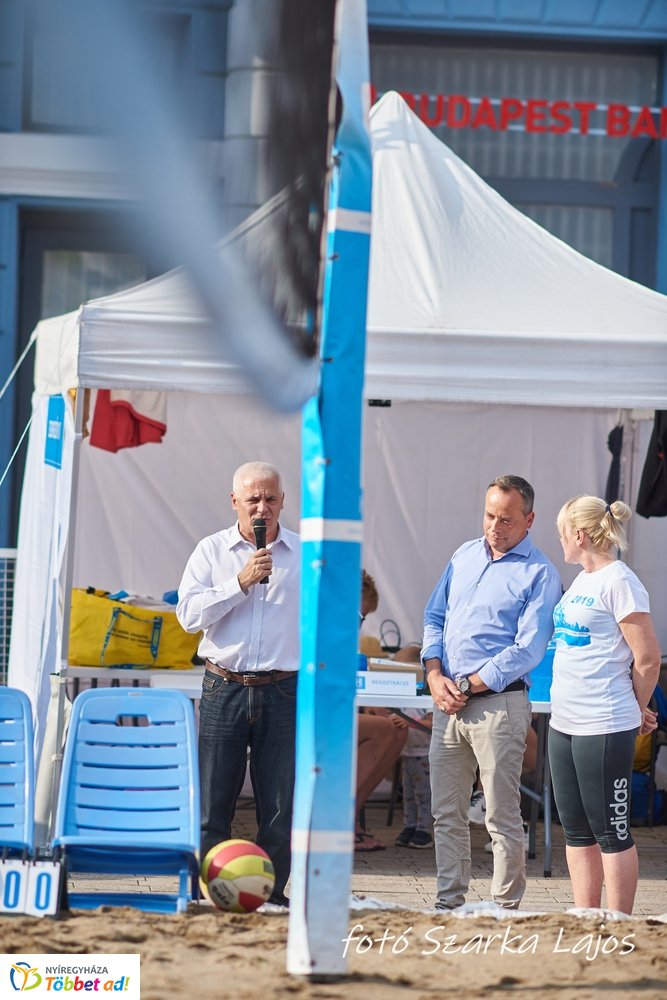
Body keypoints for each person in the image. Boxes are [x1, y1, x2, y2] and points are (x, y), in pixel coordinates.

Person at [423, 474, 562, 910]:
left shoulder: (540, 573)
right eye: (489, 515)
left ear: (529, 519)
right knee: (446, 813)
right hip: (449, 701)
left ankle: (504, 910)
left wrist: (465, 684)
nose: (494, 527)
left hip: (498, 706)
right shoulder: (464, 554)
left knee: (501, 817)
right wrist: (433, 674)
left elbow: (528, 649)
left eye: (506, 519)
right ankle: (449, 903)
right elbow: (433, 616)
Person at [176, 461, 299, 908]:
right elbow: (188, 616)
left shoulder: (305, 555)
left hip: (284, 689)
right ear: (235, 502)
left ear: (283, 501)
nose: (262, 508)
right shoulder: (211, 551)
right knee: (214, 801)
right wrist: (240, 583)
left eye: (270, 498)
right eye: (253, 499)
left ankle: (269, 894)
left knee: (281, 805)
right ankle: (212, 890)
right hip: (223, 685)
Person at [549, 495, 660, 915]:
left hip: (605, 721)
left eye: (562, 533)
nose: (560, 541)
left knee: (610, 830)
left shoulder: (620, 581)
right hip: (565, 721)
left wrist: (637, 708)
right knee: (576, 830)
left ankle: (618, 926)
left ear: (578, 535)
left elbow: (647, 658)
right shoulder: (582, 580)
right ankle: (585, 918)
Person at [355, 569, 408, 851]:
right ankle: (338, 821)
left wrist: (371, 702)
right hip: (299, 713)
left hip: (327, 710)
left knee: (397, 729)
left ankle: (347, 817)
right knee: (389, 729)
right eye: (359, 615)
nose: (360, 623)